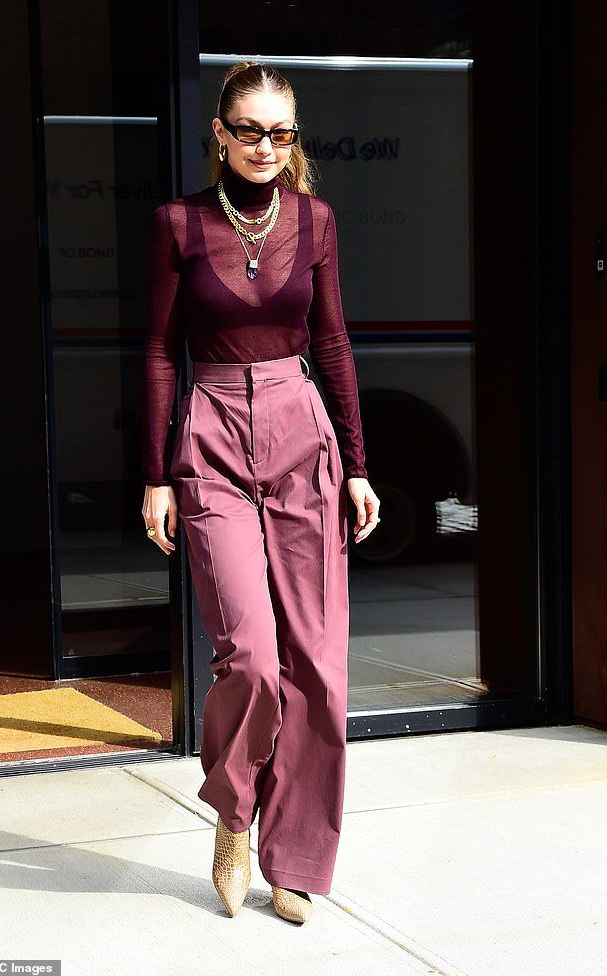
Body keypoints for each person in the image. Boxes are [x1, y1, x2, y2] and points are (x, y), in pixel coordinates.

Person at [141, 58, 380, 924]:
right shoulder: (178, 222)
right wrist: (157, 474)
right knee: (248, 653)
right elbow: (162, 352)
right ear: (219, 132)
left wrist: (355, 462)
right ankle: (235, 813)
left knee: (317, 664)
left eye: (281, 133)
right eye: (249, 130)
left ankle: (298, 862)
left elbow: (337, 342)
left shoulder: (314, 220)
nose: (266, 147)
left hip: (298, 428)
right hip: (209, 431)